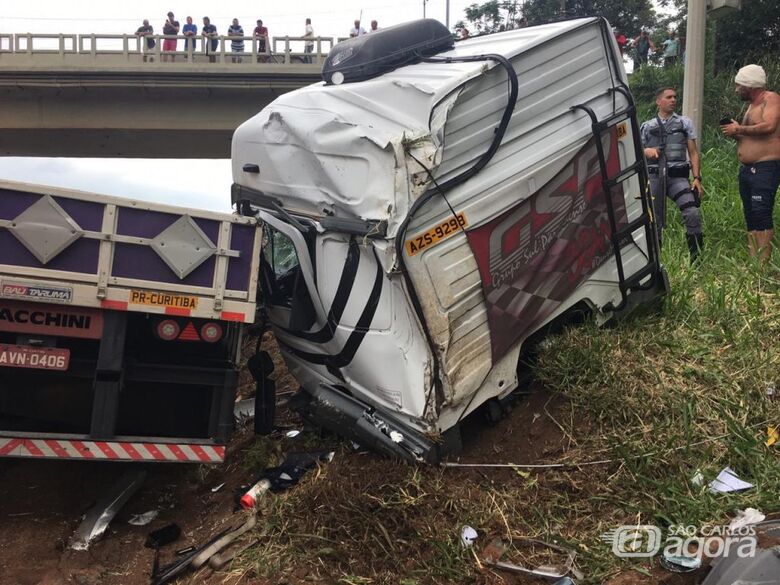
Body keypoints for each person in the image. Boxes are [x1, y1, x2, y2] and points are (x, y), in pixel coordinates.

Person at [721, 64, 780, 260]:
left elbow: (770, 126)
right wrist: (735, 133)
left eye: (739, 86)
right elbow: (751, 137)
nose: (737, 90)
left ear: (750, 85)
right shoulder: (750, 106)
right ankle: (754, 261)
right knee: (751, 216)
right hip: (747, 169)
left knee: (761, 213)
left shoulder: (770, 99)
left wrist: (740, 130)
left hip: (765, 167)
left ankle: (763, 264)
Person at [641, 87, 704, 262]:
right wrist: (646, 151)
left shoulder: (684, 123)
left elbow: (693, 152)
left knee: (692, 212)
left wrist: (697, 178)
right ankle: (654, 263)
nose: (673, 100)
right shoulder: (647, 126)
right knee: (653, 220)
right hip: (654, 177)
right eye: (669, 97)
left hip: (678, 177)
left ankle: (697, 260)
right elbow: (636, 151)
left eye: (675, 97)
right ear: (658, 101)